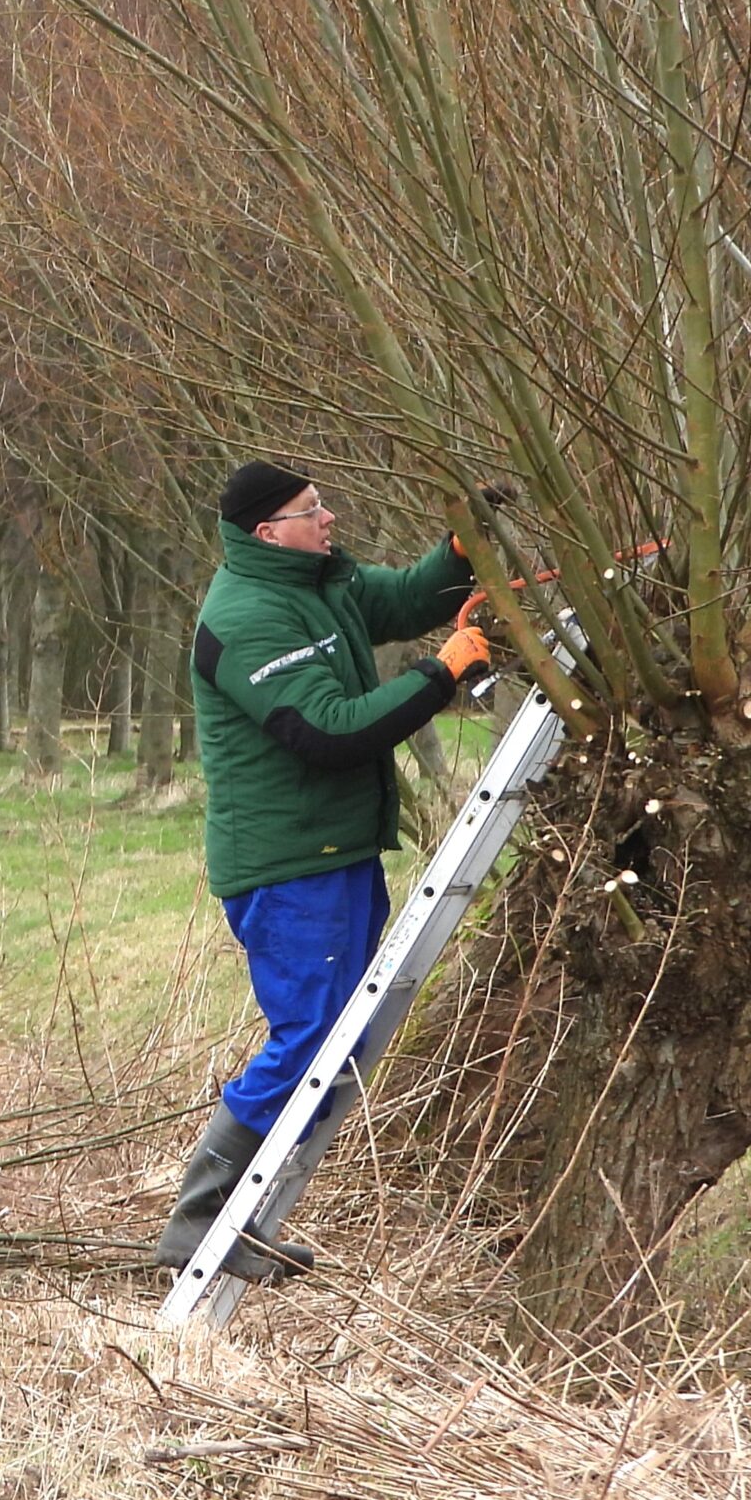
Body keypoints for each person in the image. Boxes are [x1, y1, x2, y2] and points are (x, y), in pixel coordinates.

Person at [155, 460, 492, 1278]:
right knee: (310, 1037)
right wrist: (441, 671)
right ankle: (198, 1223)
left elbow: (411, 599)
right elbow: (328, 730)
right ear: (269, 531)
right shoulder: (247, 616)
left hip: (335, 854)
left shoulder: (321, 583)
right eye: (313, 510)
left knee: (337, 1038)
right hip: (288, 866)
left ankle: (244, 1221)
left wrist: (458, 552)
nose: (330, 517)